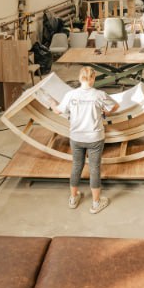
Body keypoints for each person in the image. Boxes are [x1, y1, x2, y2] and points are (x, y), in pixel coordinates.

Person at [49, 67, 119, 214]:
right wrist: (106, 112)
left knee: (76, 166)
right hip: (95, 138)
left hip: (76, 137)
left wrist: (52, 103)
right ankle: (96, 203)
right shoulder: (99, 95)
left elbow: (57, 111)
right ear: (93, 79)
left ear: (80, 78)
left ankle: (73, 198)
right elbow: (115, 106)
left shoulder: (70, 95)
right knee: (94, 169)